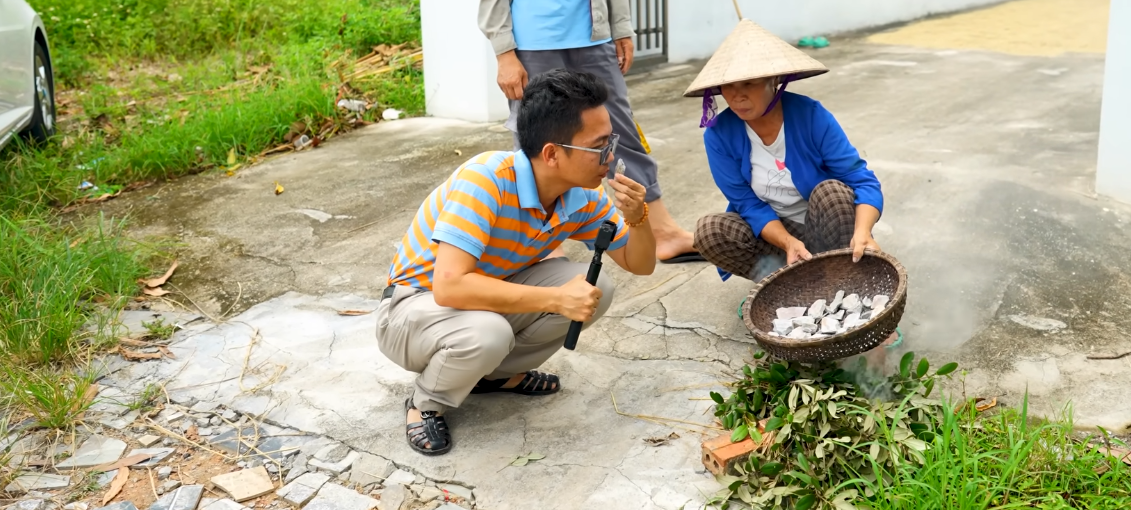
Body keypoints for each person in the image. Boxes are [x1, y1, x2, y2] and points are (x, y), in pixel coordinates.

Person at [375, 69, 657, 456]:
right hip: (411, 309)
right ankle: (425, 403)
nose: (611, 156)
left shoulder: (583, 196)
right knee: (489, 333)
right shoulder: (487, 179)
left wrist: (638, 216)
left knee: (597, 288)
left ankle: (493, 376)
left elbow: (639, 264)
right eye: (600, 146)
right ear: (552, 154)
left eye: (612, 141)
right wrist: (555, 300)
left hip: (480, 299)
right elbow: (450, 286)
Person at [478, 0, 702, 264]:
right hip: (532, 40)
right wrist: (504, 51)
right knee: (540, 142)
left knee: (621, 133)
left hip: (595, 36)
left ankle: (662, 232)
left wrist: (620, 28)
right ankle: (545, 246)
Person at [684, 19, 885, 283]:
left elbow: (863, 181)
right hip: (776, 234)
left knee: (832, 193)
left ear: (775, 80)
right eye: (728, 86)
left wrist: (863, 232)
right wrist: (789, 242)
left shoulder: (811, 116)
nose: (736, 96)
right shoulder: (719, 135)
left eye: (749, 83)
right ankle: (788, 283)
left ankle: (842, 276)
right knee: (709, 231)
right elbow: (747, 204)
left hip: (828, 225)